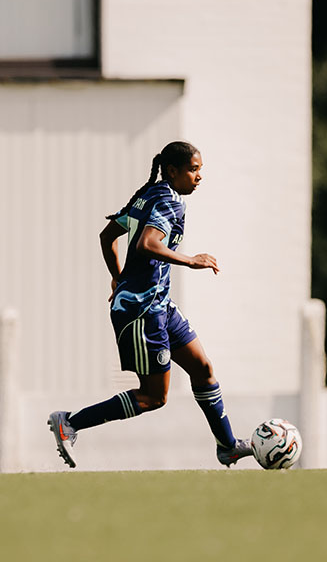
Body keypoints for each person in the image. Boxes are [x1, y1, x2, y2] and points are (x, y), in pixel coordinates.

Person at [47, 141, 253, 468]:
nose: (199, 176)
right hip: (143, 311)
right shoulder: (168, 202)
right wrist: (190, 260)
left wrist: (118, 279)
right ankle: (70, 422)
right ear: (173, 171)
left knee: (203, 369)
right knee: (153, 397)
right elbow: (147, 244)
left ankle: (227, 446)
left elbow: (107, 236)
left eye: (200, 169)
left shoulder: (149, 195)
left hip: (158, 304)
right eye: (193, 169)